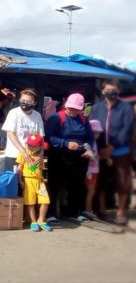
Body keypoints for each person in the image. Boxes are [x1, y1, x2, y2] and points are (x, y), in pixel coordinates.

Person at [89, 81, 134, 225]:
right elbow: (91, 127)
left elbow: (127, 129)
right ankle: (102, 209)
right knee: (101, 181)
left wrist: (112, 147)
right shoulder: (96, 108)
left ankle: (121, 211)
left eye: (114, 90)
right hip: (101, 151)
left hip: (121, 150)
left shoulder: (125, 108)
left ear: (118, 91)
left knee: (122, 181)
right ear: (103, 91)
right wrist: (100, 148)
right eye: (108, 90)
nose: (111, 92)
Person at [45, 93, 95, 223]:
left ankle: (74, 212)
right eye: (69, 107)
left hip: (79, 157)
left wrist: (89, 149)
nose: (71, 110)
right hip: (59, 156)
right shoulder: (56, 118)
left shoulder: (84, 119)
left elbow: (90, 137)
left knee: (76, 186)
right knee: (55, 186)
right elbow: (49, 137)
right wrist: (66, 143)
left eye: (75, 108)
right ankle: (51, 213)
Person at [2, 88, 44, 171]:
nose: (25, 103)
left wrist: (41, 154)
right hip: (14, 155)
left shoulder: (37, 116)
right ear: (19, 100)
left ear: (34, 103)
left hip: (32, 157)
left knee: (30, 181)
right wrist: (23, 152)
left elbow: (41, 137)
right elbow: (10, 133)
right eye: (23, 100)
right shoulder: (13, 112)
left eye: (29, 102)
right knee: (14, 181)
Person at [18, 134, 52, 232]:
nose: (31, 147)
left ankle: (41, 220)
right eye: (30, 145)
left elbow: (42, 168)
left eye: (34, 146)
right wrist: (20, 180)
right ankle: (33, 221)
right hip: (28, 180)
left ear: (39, 146)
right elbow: (19, 169)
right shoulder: (23, 154)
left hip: (39, 181)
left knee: (45, 200)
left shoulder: (40, 156)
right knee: (30, 202)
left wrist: (41, 160)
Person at [84, 119, 105, 220]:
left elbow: (96, 156)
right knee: (90, 191)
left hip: (94, 170)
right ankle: (88, 211)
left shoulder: (95, 143)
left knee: (92, 191)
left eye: (98, 132)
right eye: (94, 132)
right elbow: (87, 155)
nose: (96, 134)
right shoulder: (88, 143)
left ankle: (89, 210)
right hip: (89, 171)